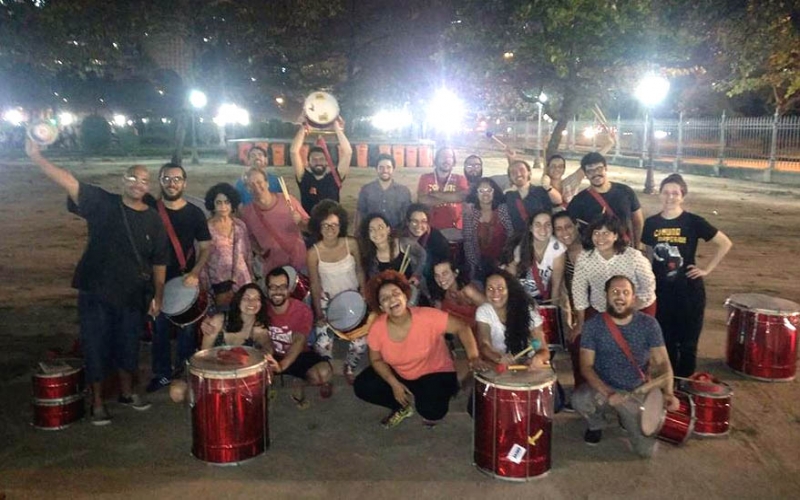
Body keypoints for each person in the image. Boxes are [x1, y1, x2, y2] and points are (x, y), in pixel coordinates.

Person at [26, 140, 168, 425]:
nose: (138, 183)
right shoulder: (103, 203)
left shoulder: (153, 219)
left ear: (148, 186)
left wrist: (158, 295)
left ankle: (128, 393)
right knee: (95, 346)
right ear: (122, 180)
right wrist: (36, 157)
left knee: (129, 345)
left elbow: (159, 262)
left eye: (144, 180)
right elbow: (69, 181)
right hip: (96, 292)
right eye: (132, 177)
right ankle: (98, 403)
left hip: (132, 295)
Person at [353, 271, 490, 428]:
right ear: (381, 307)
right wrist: (394, 384)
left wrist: (473, 356)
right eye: (384, 298)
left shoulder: (427, 316)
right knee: (362, 386)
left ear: (405, 296)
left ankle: (455, 380)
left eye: (395, 293)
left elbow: (462, 327)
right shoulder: (377, 328)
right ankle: (402, 405)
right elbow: (376, 359)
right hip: (401, 373)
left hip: (434, 372)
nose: (391, 299)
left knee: (432, 412)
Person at [572, 275, 679, 458]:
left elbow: (663, 363)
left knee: (645, 452)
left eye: (625, 292)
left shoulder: (649, 324)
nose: (619, 296)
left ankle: (626, 417)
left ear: (633, 298)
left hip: (637, 391)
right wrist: (609, 393)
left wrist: (669, 394)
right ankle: (596, 424)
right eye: (614, 292)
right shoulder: (593, 326)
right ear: (606, 296)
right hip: (604, 389)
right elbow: (586, 367)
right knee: (579, 399)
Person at [643, 174, 732, 378]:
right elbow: (648, 253)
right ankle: (671, 387)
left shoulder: (693, 221)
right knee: (668, 342)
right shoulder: (651, 223)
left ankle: (685, 386)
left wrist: (706, 269)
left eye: (675, 193)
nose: (670, 197)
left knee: (689, 344)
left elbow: (725, 243)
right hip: (662, 292)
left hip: (689, 291)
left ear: (682, 196)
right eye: (666, 192)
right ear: (660, 194)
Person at [146, 163, 212, 393]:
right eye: (166, 178)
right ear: (160, 181)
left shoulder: (194, 213)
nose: (171, 183)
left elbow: (205, 247)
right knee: (159, 330)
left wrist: (195, 272)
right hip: (156, 282)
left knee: (186, 331)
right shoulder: (149, 210)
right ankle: (162, 373)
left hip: (185, 281)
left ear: (184, 183)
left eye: (176, 179)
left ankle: (184, 373)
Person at [570, 215, 656, 348]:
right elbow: (578, 290)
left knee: (633, 347)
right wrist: (580, 324)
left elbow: (648, 287)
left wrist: (626, 311)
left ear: (616, 236)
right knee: (581, 342)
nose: (600, 238)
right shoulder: (584, 258)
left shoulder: (633, 257)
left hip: (636, 306)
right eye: (596, 233)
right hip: (601, 307)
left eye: (606, 233)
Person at [306, 200, 367, 384]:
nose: (330, 229)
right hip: (327, 301)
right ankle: (327, 372)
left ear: (341, 225)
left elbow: (360, 271)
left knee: (360, 343)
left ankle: (350, 366)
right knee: (322, 343)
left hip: (353, 298)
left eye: (334, 224)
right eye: (325, 225)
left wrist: (364, 296)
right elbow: (315, 284)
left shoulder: (352, 244)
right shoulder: (313, 253)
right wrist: (318, 312)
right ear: (318, 226)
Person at [264, 267, 334, 407]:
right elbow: (260, 339)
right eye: (273, 287)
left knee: (323, 374)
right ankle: (282, 380)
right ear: (266, 289)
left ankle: (299, 380)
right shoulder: (261, 308)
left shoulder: (302, 310)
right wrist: (269, 361)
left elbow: (299, 340)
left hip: (299, 354)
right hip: (272, 355)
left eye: (282, 287)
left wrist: (282, 366)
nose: (278, 291)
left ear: (289, 289)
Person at [240, 168, 309, 276]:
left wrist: (300, 221)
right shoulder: (247, 212)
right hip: (273, 268)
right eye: (251, 184)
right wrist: (259, 251)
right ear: (247, 189)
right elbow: (249, 238)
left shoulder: (288, 200)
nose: (256, 187)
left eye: (259, 182)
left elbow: (309, 228)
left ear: (267, 183)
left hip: (299, 262)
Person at [475, 269, 550, 369]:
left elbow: (543, 349)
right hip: (498, 365)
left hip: (528, 366)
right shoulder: (484, 311)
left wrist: (539, 358)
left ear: (509, 290)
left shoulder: (528, 310)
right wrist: (498, 358)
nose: (495, 293)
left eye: (501, 288)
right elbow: (484, 345)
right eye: (490, 289)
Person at [567, 152, 644, 248]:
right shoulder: (579, 201)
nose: (595, 173)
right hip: (596, 255)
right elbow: (569, 225)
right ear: (585, 174)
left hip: (624, 250)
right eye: (590, 171)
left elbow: (638, 221)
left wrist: (636, 246)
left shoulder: (625, 192)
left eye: (599, 169)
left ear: (605, 168)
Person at [201, 183, 253, 312]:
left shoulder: (240, 225)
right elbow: (202, 261)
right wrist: (205, 288)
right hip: (220, 286)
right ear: (212, 204)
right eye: (219, 202)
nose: (223, 207)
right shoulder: (206, 228)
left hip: (242, 280)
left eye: (227, 202)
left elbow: (247, 254)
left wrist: (252, 279)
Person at [290, 116, 353, 214]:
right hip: (310, 228)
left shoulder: (335, 177)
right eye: (314, 159)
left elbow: (348, 152)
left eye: (322, 159)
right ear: (308, 162)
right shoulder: (304, 178)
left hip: (332, 227)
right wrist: (304, 128)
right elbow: (294, 152)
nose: (318, 162)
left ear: (327, 162)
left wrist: (336, 128)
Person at [553, 211, 587, 389]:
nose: (564, 232)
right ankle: (582, 389)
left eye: (568, 227)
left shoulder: (590, 249)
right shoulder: (561, 253)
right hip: (579, 309)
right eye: (558, 229)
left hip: (598, 308)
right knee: (575, 345)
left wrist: (581, 322)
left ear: (576, 226)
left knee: (581, 343)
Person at [504, 210, 565, 305]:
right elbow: (509, 279)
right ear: (530, 228)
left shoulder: (557, 249)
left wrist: (552, 311)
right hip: (519, 298)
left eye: (547, 224)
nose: (543, 229)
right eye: (538, 224)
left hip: (541, 299)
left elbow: (556, 286)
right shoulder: (520, 246)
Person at [462, 178, 513, 282]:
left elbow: (511, 234)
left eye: (489, 190)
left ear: (495, 192)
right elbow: (468, 242)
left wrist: (507, 260)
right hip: (480, 262)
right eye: (481, 191)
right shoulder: (470, 213)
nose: (485, 194)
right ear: (476, 193)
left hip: (503, 260)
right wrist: (474, 266)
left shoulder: (502, 209)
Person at [359, 214, 426, 286]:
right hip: (390, 295)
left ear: (388, 229)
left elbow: (422, 254)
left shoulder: (404, 243)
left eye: (380, 227)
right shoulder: (370, 258)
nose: (376, 232)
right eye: (371, 230)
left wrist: (416, 275)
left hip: (412, 289)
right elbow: (375, 283)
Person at [503, 152, 562, 232]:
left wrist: (548, 187)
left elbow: (558, 201)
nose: (518, 173)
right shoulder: (508, 196)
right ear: (510, 177)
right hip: (518, 239)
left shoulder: (540, 191)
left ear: (529, 172)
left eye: (522, 170)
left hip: (541, 236)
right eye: (513, 172)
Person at [417, 147, 469, 230]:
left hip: (455, 228)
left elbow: (462, 197)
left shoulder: (460, 179)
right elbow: (423, 200)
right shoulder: (426, 178)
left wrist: (435, 194)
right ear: (436, 160)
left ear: (453, 161)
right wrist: (453, 197)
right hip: (430, 228)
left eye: (450, 157)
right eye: (443, 156)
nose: (446, 160)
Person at [355, 153, 411, 230]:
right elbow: (360, 213)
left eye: (388, 167)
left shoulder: (404, 191)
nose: (385, 170)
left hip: (395, 234)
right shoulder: (366, 190)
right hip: (372, 234)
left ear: (393, 169)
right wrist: (357, 233)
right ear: (376, 169)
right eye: (381, 167)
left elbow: (407, 216)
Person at [405, 203, 450, 288]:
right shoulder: (399, 237)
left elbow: (444, 266)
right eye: (414, 221)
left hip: (431, 285)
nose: (419, 226)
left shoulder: (437, 239)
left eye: (423, 221)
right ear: (407, 222)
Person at [430, 259, 486, 328]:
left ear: (455, 273)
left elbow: (492, 310)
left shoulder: (468, 291)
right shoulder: (440, 294)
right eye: (437, 276)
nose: (440, 279)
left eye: (444, 273)